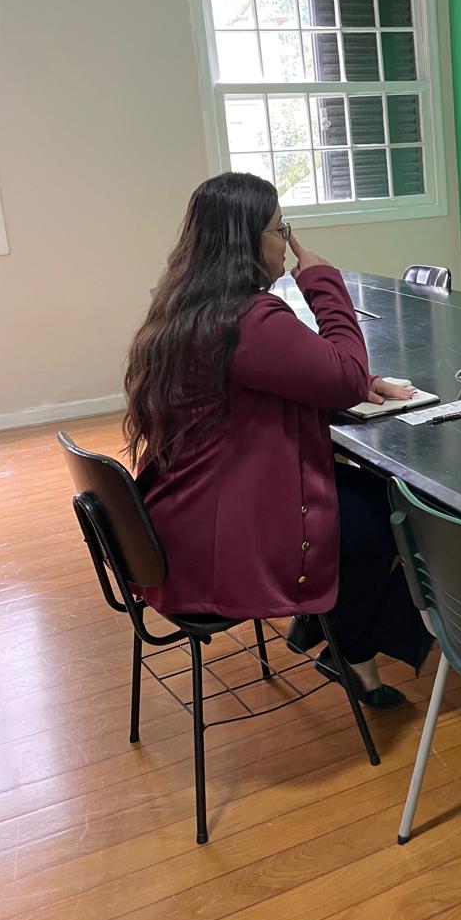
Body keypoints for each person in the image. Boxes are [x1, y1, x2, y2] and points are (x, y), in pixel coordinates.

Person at [123, 172, 431, 708]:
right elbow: (342, 375)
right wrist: (323, 282)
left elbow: (274, 381)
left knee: (367, 500)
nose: (286, 244)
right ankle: (349, 641)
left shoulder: (190, 308)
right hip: (219, 537)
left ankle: (331, 624)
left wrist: (354, 379)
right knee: (406, 513)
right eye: (278, 230)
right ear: (246, 241)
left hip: (182, 515)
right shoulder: (249, 319)